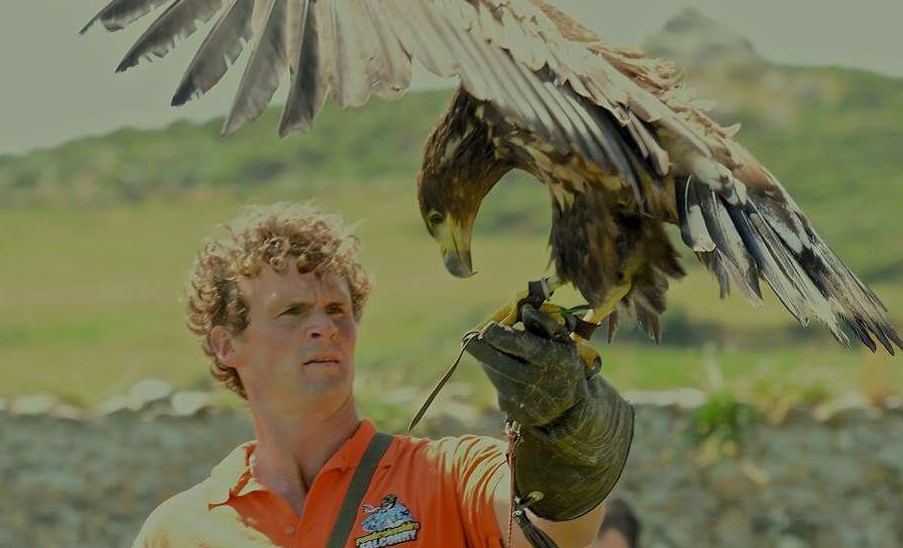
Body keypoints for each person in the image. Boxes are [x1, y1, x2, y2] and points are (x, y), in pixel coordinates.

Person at [131, 202, 634, 547]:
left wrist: (566, 427)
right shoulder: (180, 530)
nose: (324, 328)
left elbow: (557, 530)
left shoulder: (449, 477)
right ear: (226, 344)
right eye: (292, 313)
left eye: (337, 309)